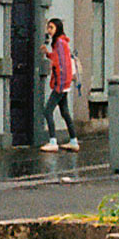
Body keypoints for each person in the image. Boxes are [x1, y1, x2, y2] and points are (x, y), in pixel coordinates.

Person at [40, 17, 79, 152]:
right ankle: (73, 141)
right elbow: (58, 59)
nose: (49, 30)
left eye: (51, 27)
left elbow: (63, 65)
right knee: (65, 112)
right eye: (48, 27)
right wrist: (48, 54)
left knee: (47, 111)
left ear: (58, 28)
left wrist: (60, 85)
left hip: (61, 84)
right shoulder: (59, 43)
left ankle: (53, 142)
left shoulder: (60, 43)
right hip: (64, 84)